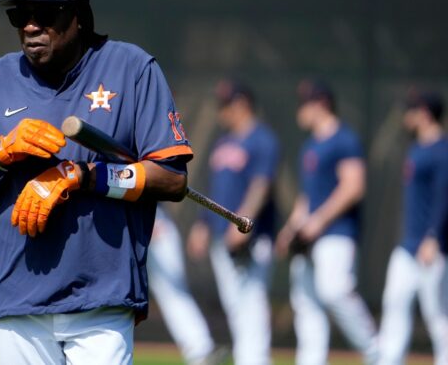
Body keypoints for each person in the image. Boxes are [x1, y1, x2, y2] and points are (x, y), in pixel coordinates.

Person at [0, 0, 194, 365]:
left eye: (43, 13)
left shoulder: (131, 68)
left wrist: (81, 176)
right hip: (17, 298)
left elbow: (171, 179)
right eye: (20, 15)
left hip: (101, 298)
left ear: (77, 15)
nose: (29, 25)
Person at [275, 80, 378, 365]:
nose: (300, 109)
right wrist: (291, 230)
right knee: (306, 304)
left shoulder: (344, 139)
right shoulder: (311, 145)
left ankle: (376, 352)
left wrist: (317, 222)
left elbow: (353, 186)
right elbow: (308, 198)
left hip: (337, 233)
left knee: (335, 291)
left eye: (305, 103)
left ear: (321, 103)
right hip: (309, 238)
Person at [187, 80, 278, 365]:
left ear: (242, 104)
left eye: (226, 105)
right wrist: (202, 223)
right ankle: (247, 358)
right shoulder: (224, 141)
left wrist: (242, 223)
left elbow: (261, 186)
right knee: (236, 305)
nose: (221, 111)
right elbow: (215, 189)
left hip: (251, 238)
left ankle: (255, 360)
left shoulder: (263, 139)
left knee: (251, 303)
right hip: (219, 236)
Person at [377, 90, 448, 365]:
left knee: (438, 316)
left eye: (412, 110)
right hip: (407, 246)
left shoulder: (442, 150)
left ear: (425, 113)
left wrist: (434, 237)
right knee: (394, 305)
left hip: (433, 247)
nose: (406, 116)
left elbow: (445, 196)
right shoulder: (416, 148)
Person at [148, 205, 228, 365]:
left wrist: (151, 219)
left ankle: (201, 349)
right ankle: (201, 349)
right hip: (123, 219)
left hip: (152, 217)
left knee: (173, 292)